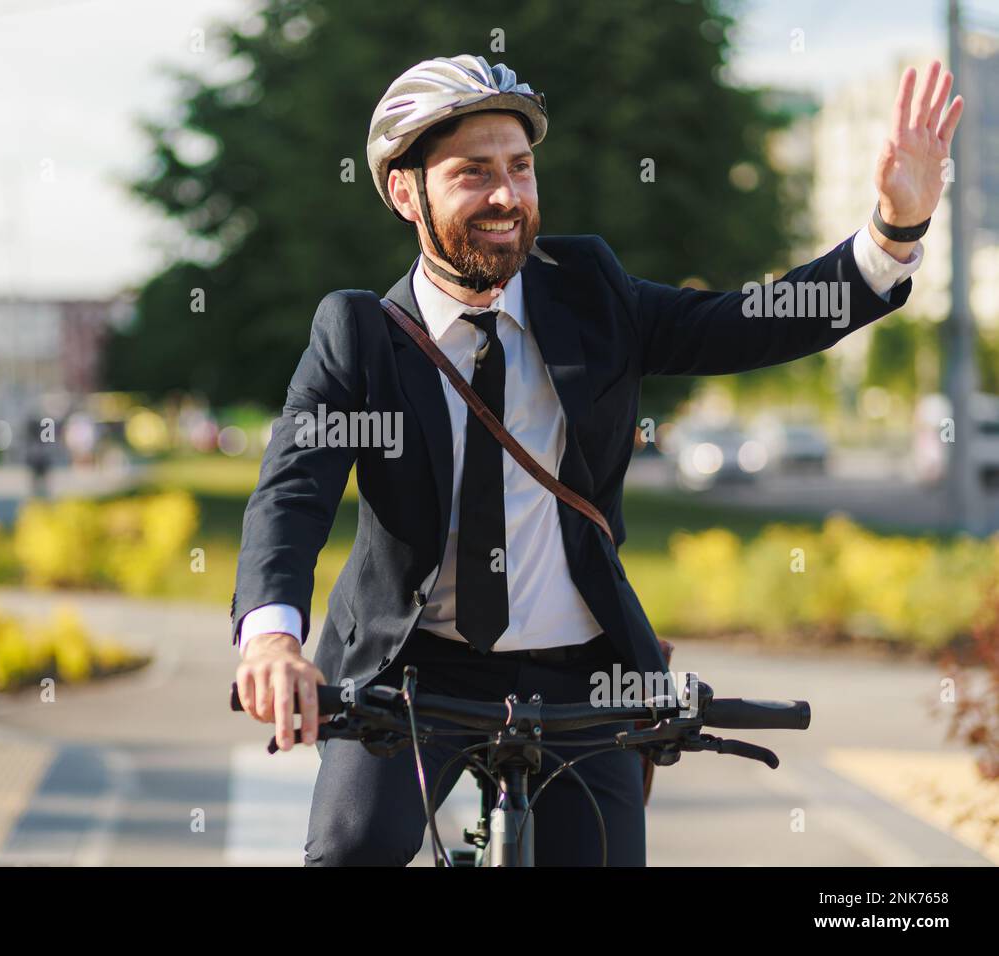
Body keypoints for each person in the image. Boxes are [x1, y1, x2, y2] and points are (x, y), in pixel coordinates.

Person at [231, 54, 961, 865]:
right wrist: (271, 637)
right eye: (474, 174)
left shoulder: (590, 290)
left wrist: (892, 233)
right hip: (412, 677)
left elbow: (752, 321)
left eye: (521, 168)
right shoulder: (358, 335)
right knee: (348, 852)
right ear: (406, 191)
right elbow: (291, 494)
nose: (507, 196)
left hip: (584, 675)